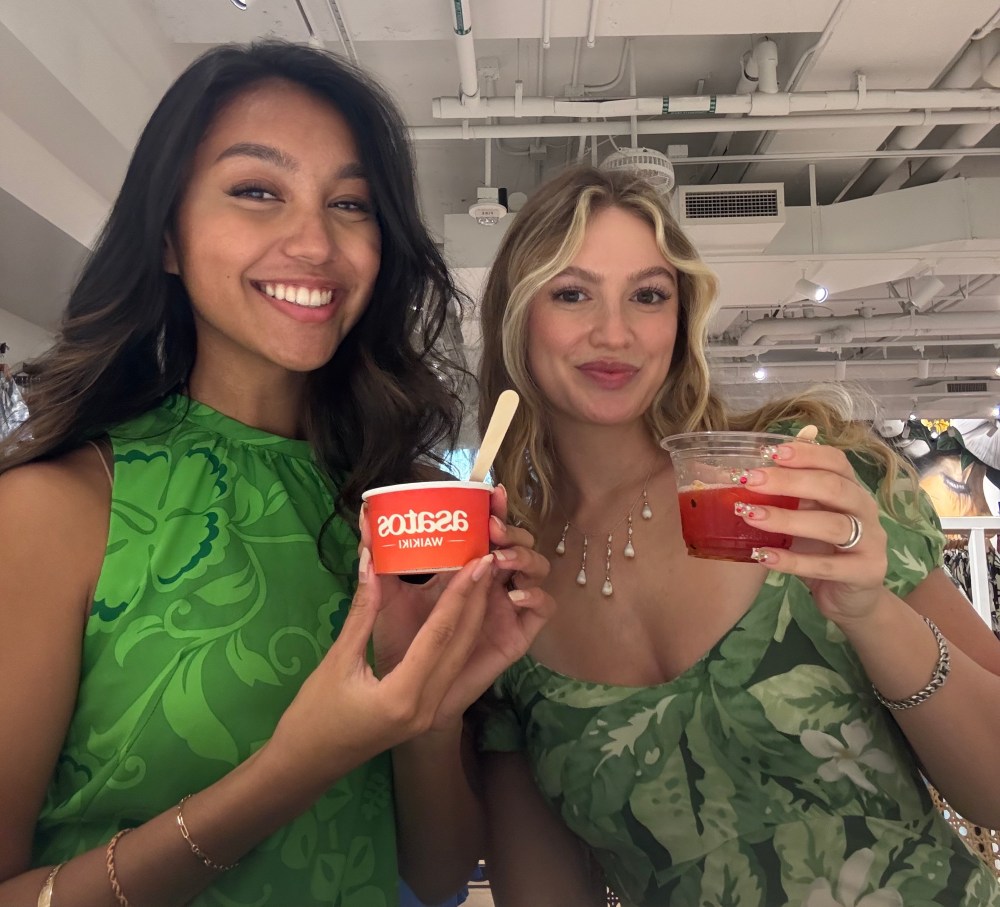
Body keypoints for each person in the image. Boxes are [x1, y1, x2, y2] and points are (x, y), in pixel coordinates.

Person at [0, 41, 553, 907]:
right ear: (169, 235)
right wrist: (298, 765)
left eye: (350, 203)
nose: (316, 242)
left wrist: (428, 703)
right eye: (258, 191)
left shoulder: (397, 507)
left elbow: (438, 874)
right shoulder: (54, 508)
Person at [474, 164, 1000, 906]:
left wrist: (872, 610)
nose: (615, 332)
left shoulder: (797, 480)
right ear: (518, 316)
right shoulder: (508, 591)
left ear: (678, 318)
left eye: (648, 296)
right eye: (572, 293)